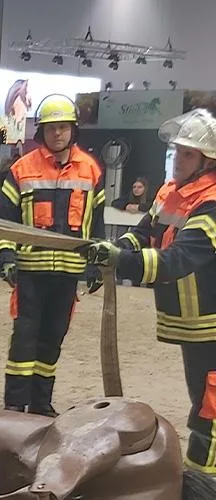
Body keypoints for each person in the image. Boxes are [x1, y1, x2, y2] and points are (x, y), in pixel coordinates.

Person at [88, 108, 216, 474]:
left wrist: (121, 261)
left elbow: (177, 259)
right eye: (177, 151)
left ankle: (204, 490)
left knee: (211, 408)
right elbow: (144, 233)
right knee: (204, 401)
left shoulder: (212, 202)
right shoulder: (172, 193)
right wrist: (112, 253)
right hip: (196, 322)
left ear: (207, 161)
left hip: (211, 319)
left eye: (188, 154)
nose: (178, 160)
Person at [0, 94, 106, 416]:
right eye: (50, 128)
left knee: (53, 340)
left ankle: (41, 404)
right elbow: (3, 222)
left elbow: (96, 221)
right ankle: (14, 404)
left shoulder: (91, 170)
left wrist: (96, 265)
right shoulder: (21, 169)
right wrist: (6, 259)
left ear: (73, 130)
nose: (57, 133)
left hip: (68, 273)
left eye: (63, 127)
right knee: (24, 341)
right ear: (41, 131)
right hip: (30, 272)